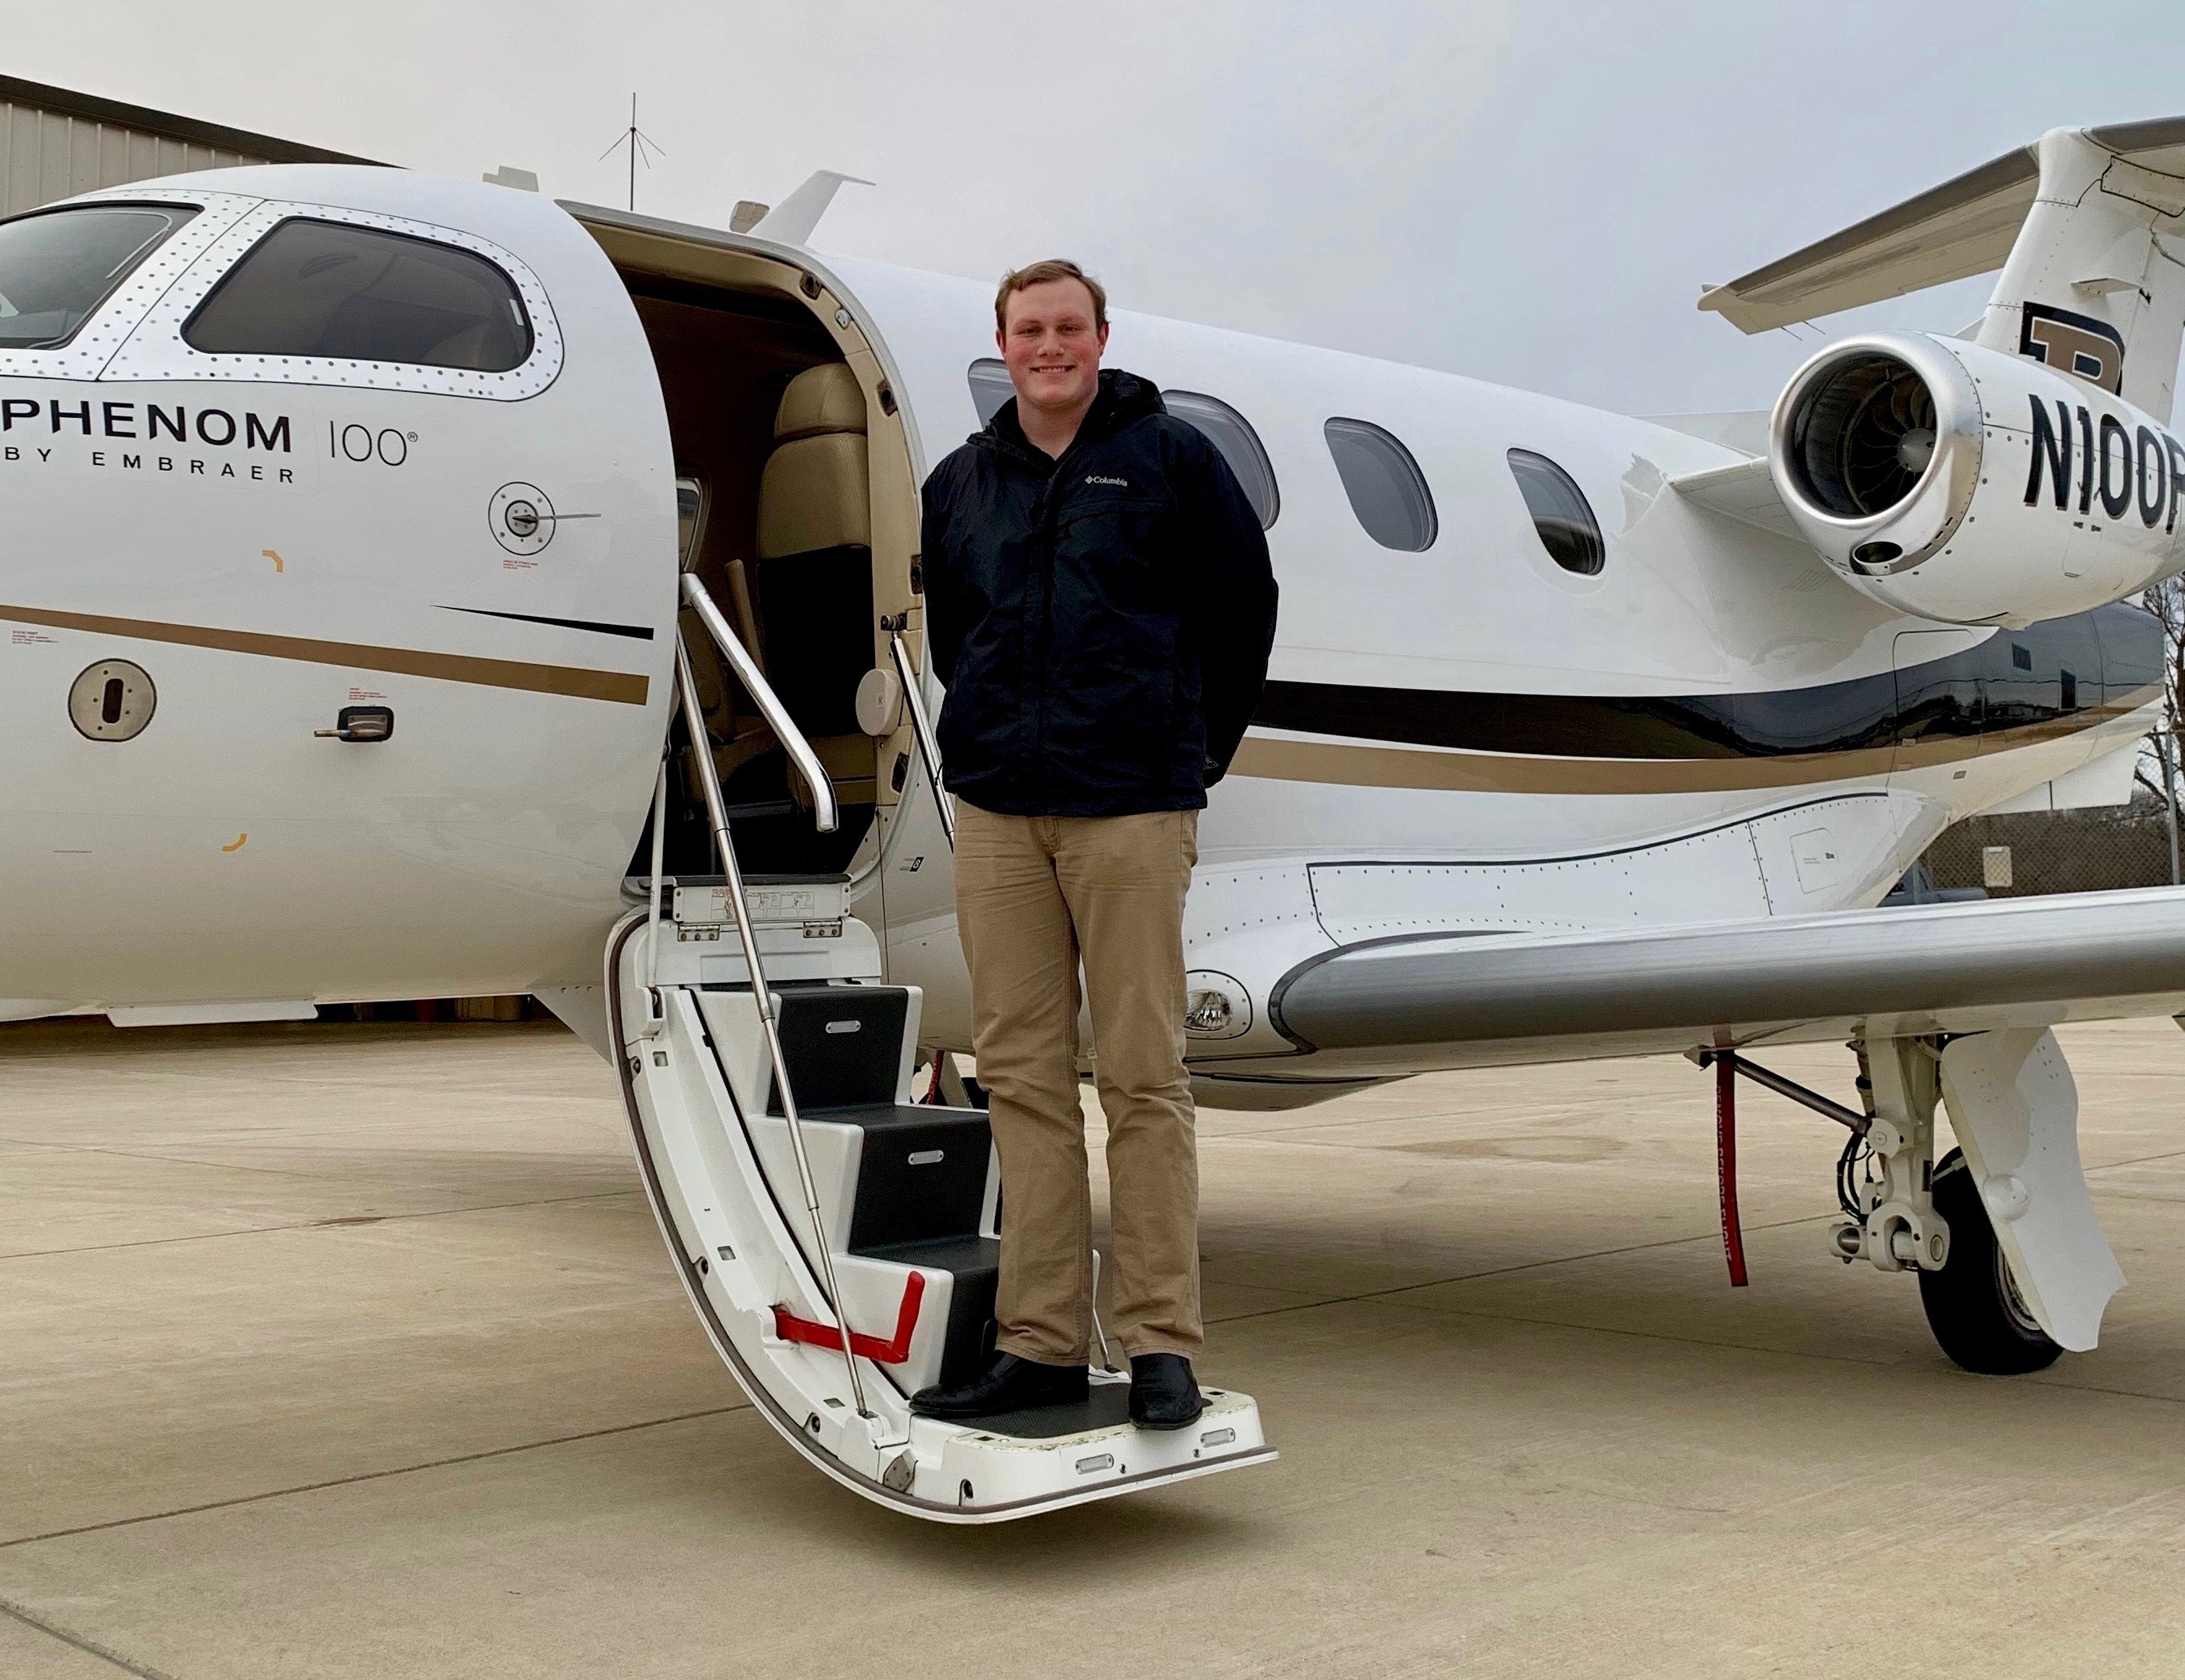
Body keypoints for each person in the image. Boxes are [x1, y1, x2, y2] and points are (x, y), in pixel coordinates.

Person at [910, 259, 1278, 1429]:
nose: (1049, 346)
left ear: (1101, 338)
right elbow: (956, 636)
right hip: (999, 814)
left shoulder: (1170, 459)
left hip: (1130, 807)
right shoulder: (960, 482)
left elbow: (1242, 612)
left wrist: (1189, 754)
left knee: (1142, 1076)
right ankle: (1042, 1345)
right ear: (1004, 345)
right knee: (1020, 1077)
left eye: (1068, 326)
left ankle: (1161, 1340)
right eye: (1029, 329)